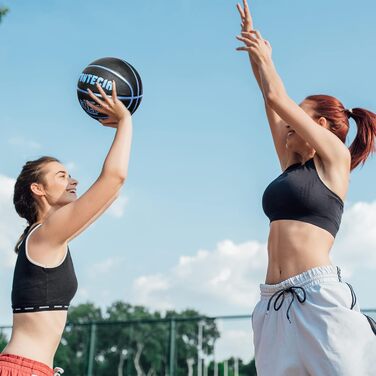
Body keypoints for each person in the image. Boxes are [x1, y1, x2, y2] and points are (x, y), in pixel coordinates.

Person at [236, 1, 376, 375]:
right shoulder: (290, 168)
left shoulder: (334, 160)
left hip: (318, 299)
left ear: (323, 126)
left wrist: (267, 59)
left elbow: (276, 99)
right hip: (272, 305)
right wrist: (255, 54)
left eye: (298, 114)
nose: (287, 121)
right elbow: (270, 101)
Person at [0, 81, 132, 376]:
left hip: (32, 368)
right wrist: (124, 121)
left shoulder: (43, 236)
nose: (72, 181)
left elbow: (111, 191)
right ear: (38, 189)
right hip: (23, 369)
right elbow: (114, 179)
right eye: (61, 176)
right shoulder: (45, 233)